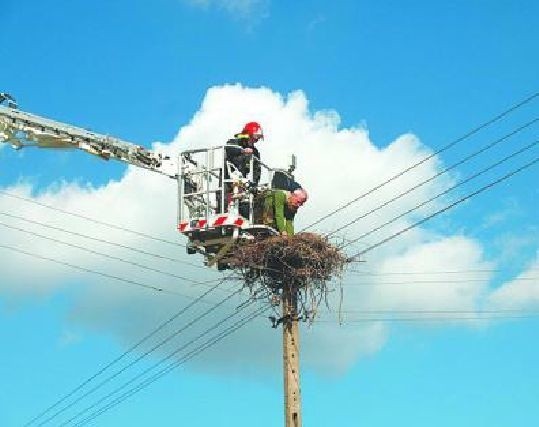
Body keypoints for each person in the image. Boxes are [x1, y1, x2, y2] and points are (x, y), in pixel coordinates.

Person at [225, 121, 263, 185]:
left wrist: (254, 184)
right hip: (227, 180)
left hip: (242, 182)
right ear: (248, 135)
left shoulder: (254, 152)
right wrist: (242, 151)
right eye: (254, 139)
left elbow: (257, 170)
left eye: (257, 140)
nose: (255, 141)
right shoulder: (234, 142)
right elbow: (229, 149)